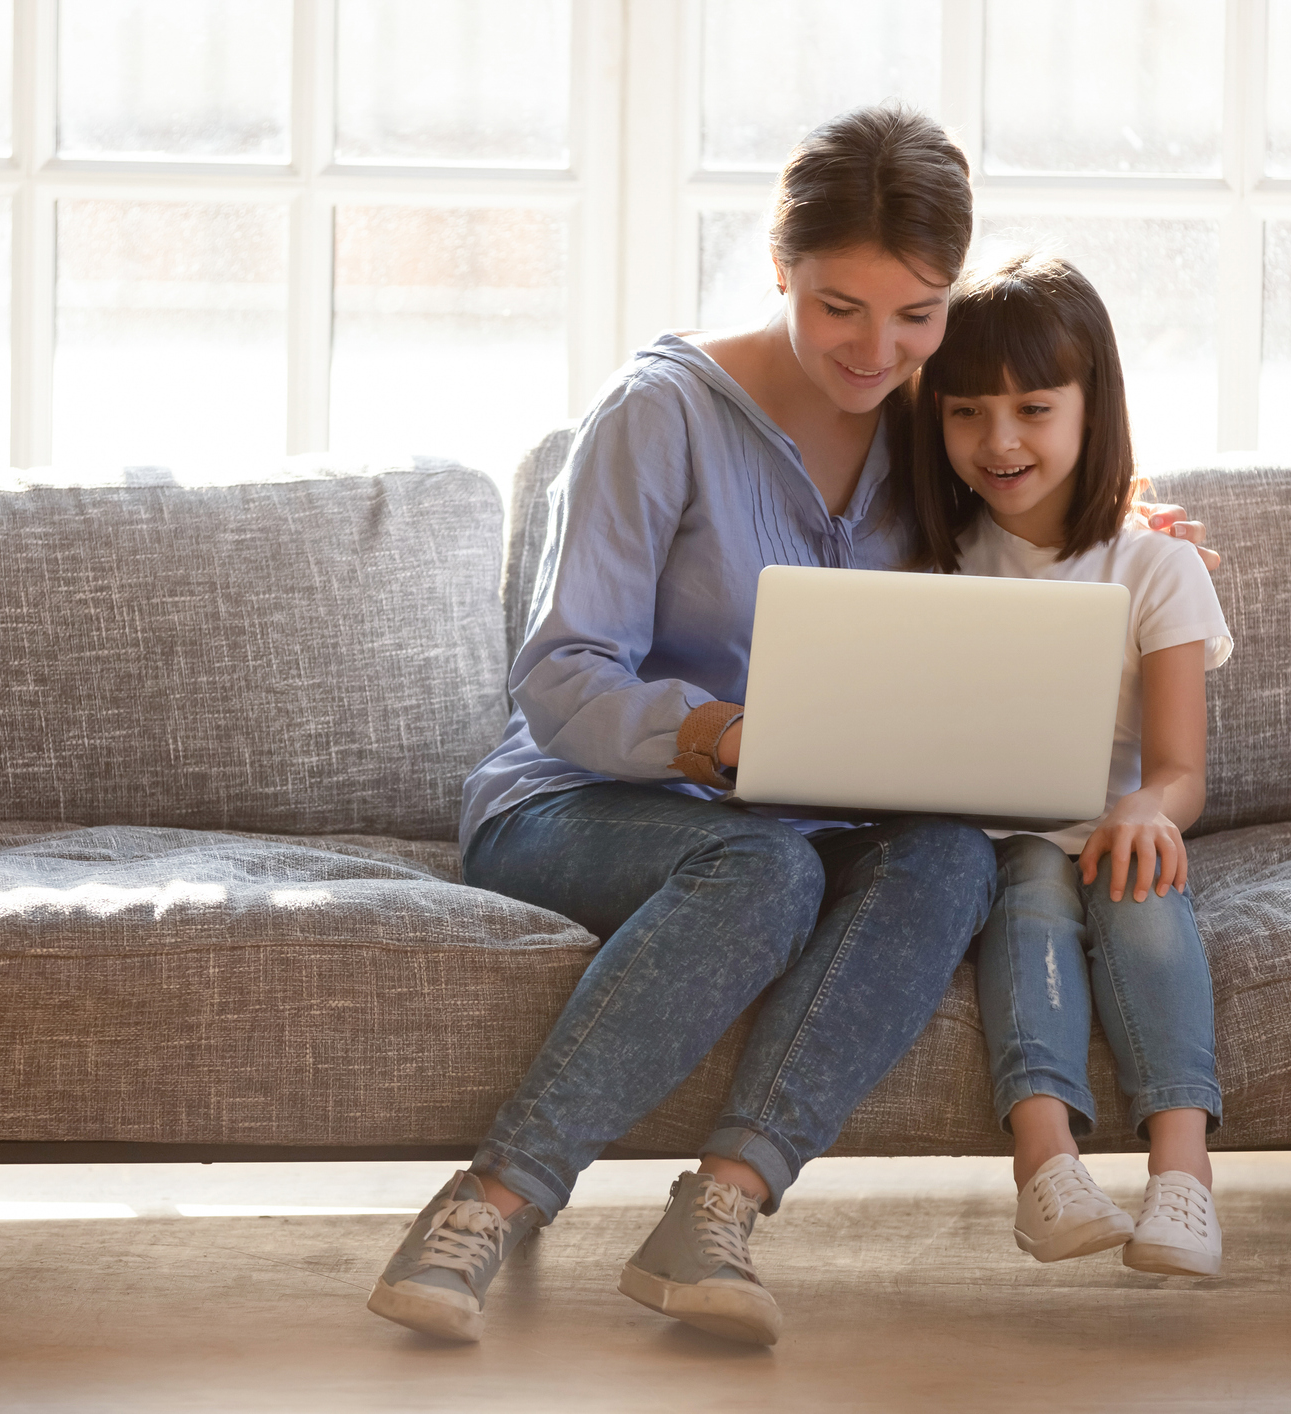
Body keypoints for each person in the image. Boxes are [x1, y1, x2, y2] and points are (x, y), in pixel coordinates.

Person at [367, 109, 1214, 1349]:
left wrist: (1126, 525)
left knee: (950, 857)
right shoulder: (659, 416)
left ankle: (716, 1213)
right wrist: (714, 736)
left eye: (915, 315)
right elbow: (557, 676)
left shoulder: (933, 421)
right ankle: (488, 1203)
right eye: (838, 309)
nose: (878, 351)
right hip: (583, 803)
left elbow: (1032, 483)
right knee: (758, 865)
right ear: (779, 270)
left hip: (806, 814)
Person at [907, 249, 1231, 1278]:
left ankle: (1183, 1173)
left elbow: (1182, 766)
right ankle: (1045, 1165)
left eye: (1034, 409)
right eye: (965, 413)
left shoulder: (1155, 565)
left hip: (1114, 823)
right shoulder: (930, 558)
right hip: (996, 832)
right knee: (1030, 894)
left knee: (1138, 887)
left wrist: (1149, 810)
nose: (999, 441)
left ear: (1094, 408)